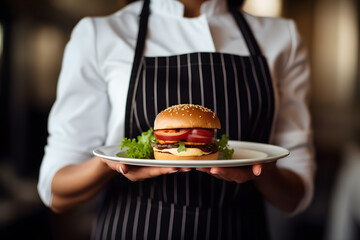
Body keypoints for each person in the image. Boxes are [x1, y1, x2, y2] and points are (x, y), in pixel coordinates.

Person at [38, 0, 316, 239]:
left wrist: (260, 167)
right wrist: (111, 162)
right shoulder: (100, 34)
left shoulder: (282, 36)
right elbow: (55, 190)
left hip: (239, 229)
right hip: (133, 228)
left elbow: (296, 196)